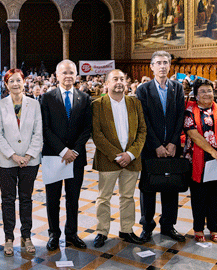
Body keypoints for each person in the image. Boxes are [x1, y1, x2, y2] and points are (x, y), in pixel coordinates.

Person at [91, 69, 147, 248]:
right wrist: (116, 155)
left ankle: (127, 230)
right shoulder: (98, 104)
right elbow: (97, 134)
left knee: (128, 197)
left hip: (131, 159)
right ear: (107, 83)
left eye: (122, 79)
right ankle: (102, 231)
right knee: (104, 197)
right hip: (108, 159)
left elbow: (142, 131)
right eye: (115, 79)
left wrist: (130, 154)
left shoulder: (134, 102)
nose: (119, 82)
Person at [41, 59, 92, 250]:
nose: (68, 76)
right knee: (52, 198)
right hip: (54, 155)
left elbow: (87, 128)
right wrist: (63, 151)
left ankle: (72, 233)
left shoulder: (85, 98)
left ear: (76, 75)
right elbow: (45, 129)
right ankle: (54, 234)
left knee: (73, 197)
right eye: (64, 73)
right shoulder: (46, 98)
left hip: (76, 157)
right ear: (56, 74)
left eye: (72, 73)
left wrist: (74, 151)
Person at [136, 51, 186, 242]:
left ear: (170, 65)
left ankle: (168, 226)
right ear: (152, 66)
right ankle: (147, 226)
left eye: (166, 62)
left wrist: (173, 142)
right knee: (148, 188)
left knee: (171, 186)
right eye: (158, 63)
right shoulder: (143, 89)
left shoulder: (177, 88)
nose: (162, 66)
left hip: (173, 146)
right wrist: (156, 144)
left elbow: (180, 115)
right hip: (150, 147)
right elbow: (144, 120)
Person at [0, 68, 43, 256]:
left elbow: (38, 132)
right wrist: (13, 155)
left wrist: (28, 155)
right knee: (7, 199)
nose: (15, 84)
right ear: (6, 84)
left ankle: (26, 235)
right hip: (6, 160)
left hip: (30, 160)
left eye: (18, 80)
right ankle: (8, 238)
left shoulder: (34, 105)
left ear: (24, 82)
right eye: (11, 81)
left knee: (26, 198)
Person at [183, 79, 217, 243]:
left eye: (209, 90)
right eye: (203, 91)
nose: (207, 94)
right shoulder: (190, 111)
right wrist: (214, 152)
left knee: (216, 197)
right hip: (199, 160)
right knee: (199, 197)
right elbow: (193, 135)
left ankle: (213, 228)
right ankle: (198, 228)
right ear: (196, 95)